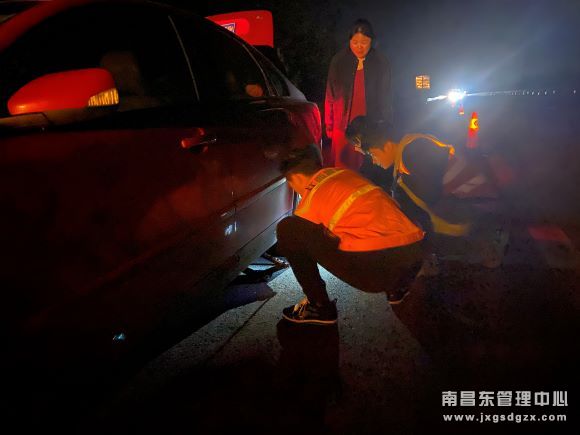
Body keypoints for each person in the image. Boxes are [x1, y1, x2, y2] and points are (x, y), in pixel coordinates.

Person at [276, 144, 424, 325]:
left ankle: (319, 306)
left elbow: (310, 239)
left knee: (288, 229)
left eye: (291, 183)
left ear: (298, 177)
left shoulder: (310, 198)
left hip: (380, 272)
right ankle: (398, 287)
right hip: (415, 254)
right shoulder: (346, 174)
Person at [324, 18, 392, 171]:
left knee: (366, 171)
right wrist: (329, 124)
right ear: (349, 40)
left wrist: (386, 124)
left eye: (364, 42)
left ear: (371, 41)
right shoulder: (339, 61)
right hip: (342, 126)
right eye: (355, 42)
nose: (359, 47)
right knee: (343, 169)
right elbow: (330, 94)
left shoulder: (380, 62)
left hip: (369, 128)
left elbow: (386, 97)